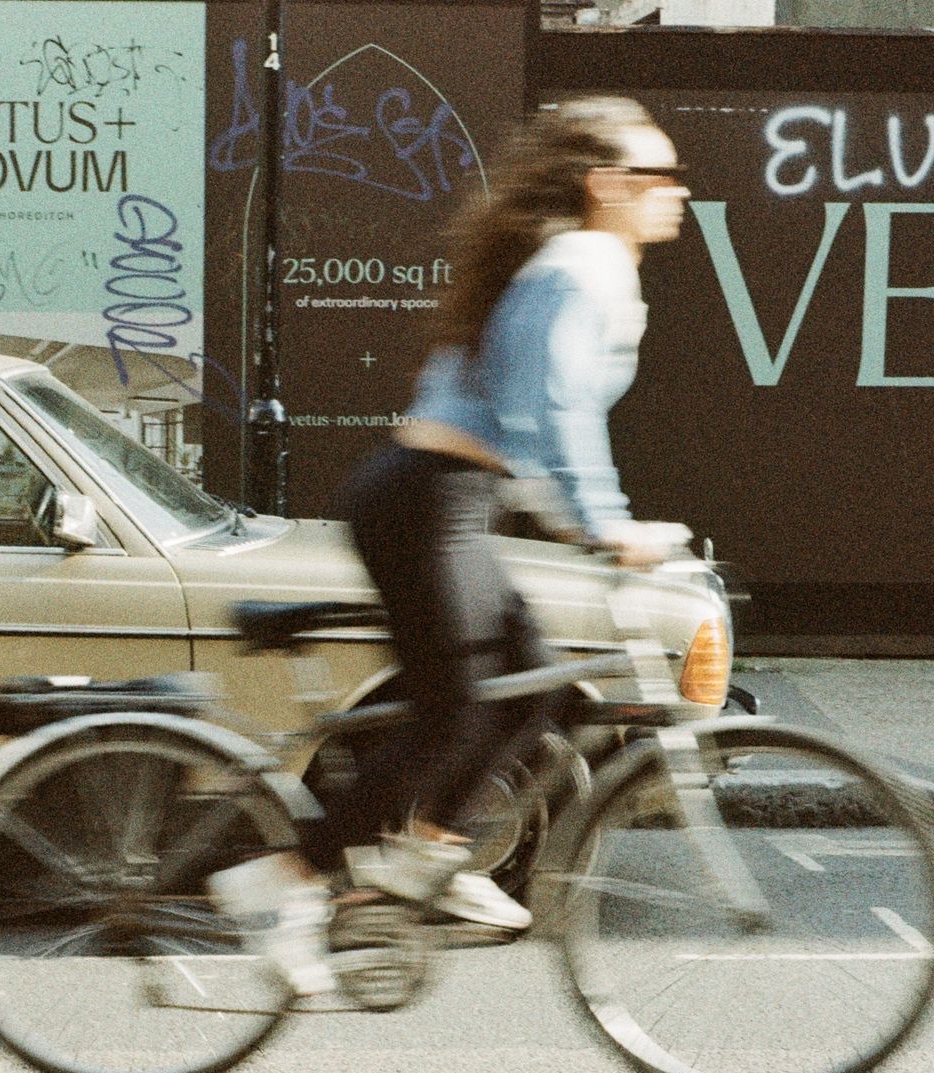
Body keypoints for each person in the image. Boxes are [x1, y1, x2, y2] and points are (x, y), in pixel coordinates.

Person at [209, 97, 694, 997]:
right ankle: (290, 887)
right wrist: (602, 522)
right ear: (605, 188)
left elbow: (528, 411)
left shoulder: (582, 263)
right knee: (459, 706)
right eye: (657, 175)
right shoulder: (578, 264)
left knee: (533, 690)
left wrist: (576, 514)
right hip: (421, 503)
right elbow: (549, 409)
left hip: (444, 502)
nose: (678, 190)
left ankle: (416, 867)